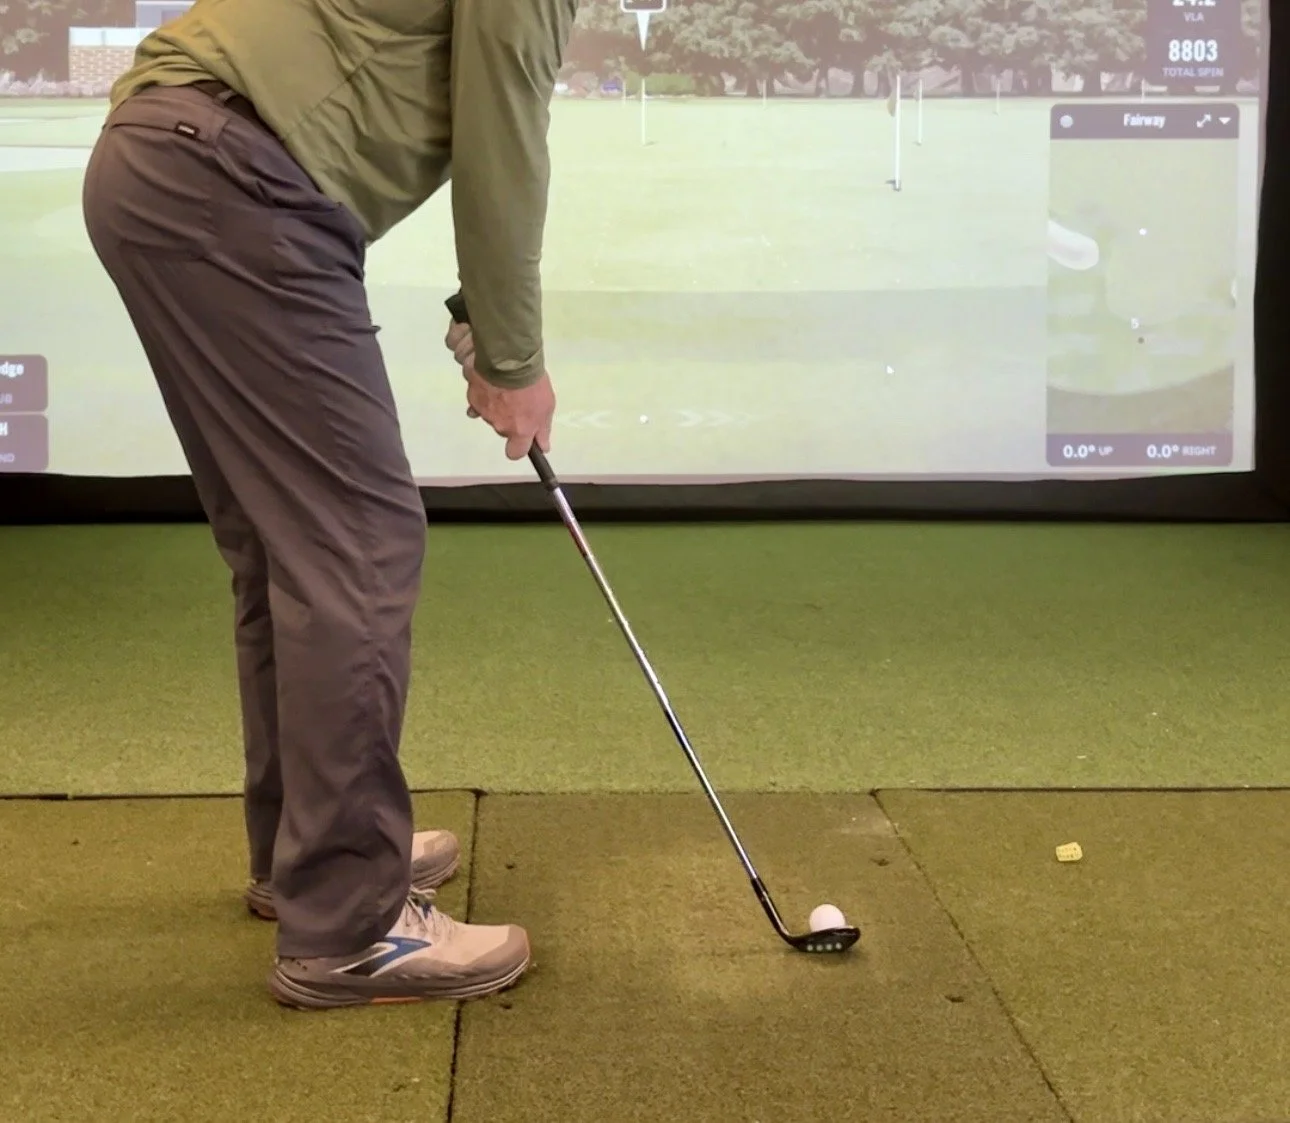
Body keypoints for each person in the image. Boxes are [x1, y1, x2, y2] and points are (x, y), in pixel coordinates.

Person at [81, 0, 572, 1009]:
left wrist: (480, 315)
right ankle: (350, 925)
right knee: (356, 545)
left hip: (157, 159)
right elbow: (503, 133)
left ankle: (301, 857)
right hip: (230, 179)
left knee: (283, 546)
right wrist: (514, 358)